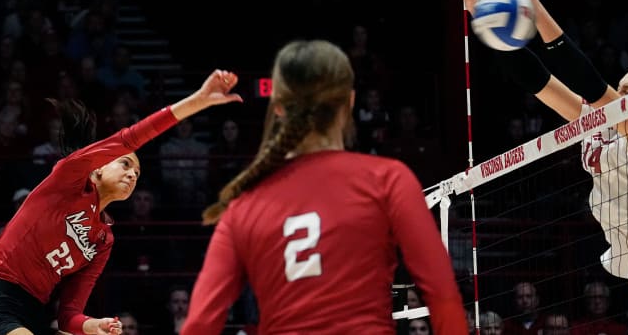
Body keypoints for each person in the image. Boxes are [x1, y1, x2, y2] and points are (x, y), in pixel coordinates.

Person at [180, 40, 468, 334]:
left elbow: (200, 324)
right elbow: (442, 295)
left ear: (278, 107)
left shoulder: (242, 208)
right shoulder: (388, 179)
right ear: (350, 101)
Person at [456, 0, 628, 334]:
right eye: (619, 90)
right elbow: (539, 82)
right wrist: (483, 19)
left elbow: (584, 77)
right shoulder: (604, 123)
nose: (618, 97)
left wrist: (535, 9)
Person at [0, 69, 242, 335]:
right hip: (0, 301)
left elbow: (68, 314)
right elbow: (131, 136)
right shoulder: (68, 179)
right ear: (97, 169)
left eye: (137, 173)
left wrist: (92, 325)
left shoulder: (103, 239)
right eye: (125, 164)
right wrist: (197, 101)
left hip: (36, 313)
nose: (132, 173)